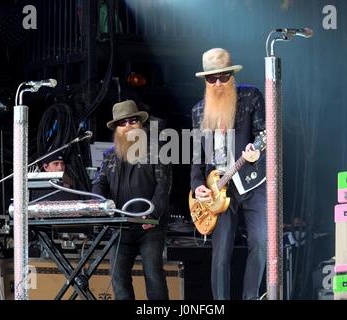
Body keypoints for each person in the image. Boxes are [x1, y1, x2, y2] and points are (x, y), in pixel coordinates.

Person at [190, 48, 267, 300]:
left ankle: (250, 298)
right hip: (219, 187)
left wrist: (256, 150)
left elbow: (263, 134)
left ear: (232, 75)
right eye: (212, 79)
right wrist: (197, 185)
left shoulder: (250, 96)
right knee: (220, 253)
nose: (218, 83)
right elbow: (197, 155)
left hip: (252, 182)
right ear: (205, 81)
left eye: (223, 76)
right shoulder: (199, 111)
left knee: (260, 242)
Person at [92, 100, 172, 300]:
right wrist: (101, 206)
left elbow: (164, 186)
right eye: (123, 122)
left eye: (133, 120)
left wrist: (152, 214)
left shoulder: (156, 149)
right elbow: (99, 184)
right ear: (117, 129)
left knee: (153, 274)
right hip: (121, 227)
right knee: (118, 278)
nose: (128, 125)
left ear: (140, 124)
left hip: (150, 227)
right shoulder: (110, 155)